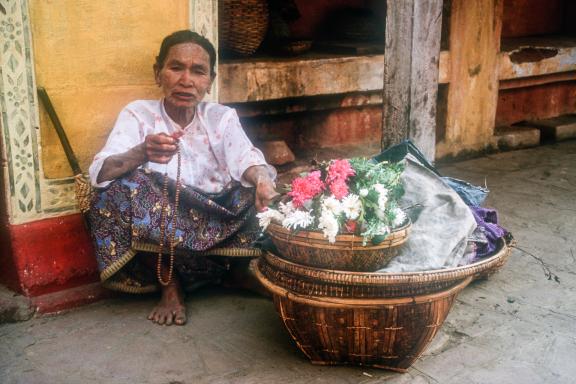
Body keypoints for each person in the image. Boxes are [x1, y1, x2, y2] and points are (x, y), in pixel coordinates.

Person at [87, 30, 279, 326]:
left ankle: (238, 272)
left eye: (198, 71)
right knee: (121, 187)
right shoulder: (138, 114)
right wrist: (141, 152)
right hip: (163, 220)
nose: (186, 80)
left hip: (216, 217)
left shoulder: (221, 116)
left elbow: (247, 158)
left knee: (257, 184)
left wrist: (262, 178)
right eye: (176, 67)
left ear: (210, 81)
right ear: (158, 73)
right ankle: (170, 285)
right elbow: (100, 172)